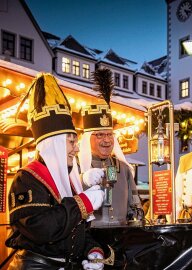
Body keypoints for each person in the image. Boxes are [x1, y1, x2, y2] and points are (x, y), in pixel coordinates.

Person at [6, 73, 105, 269]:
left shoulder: (68, 179)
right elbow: (41, 228)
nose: (76, 149)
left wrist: (93, 252)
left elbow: (75, 229)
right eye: (71, 142)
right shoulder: (26, 179)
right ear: (54, 145)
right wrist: (82, 202)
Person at [78, 68, 142, 227]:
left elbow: (135, 205)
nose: (106, 140)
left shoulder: (124, 169)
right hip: (89, 241)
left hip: (121, 238)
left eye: (109, 134)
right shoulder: (76, 168)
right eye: (100, 135)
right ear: (87, 139)